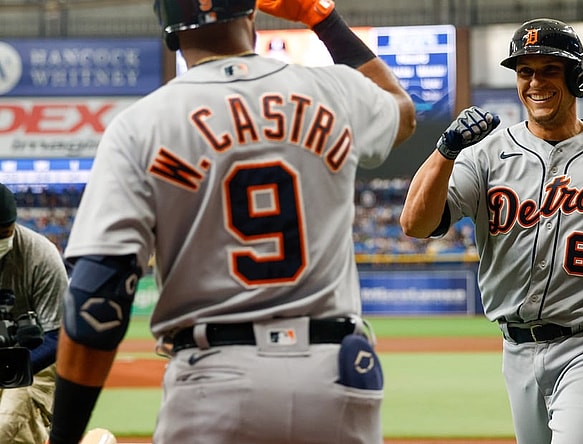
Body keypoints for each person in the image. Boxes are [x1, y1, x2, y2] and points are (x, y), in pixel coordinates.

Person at [47, 0, 415, 442]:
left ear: (168, 28)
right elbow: (402, 111)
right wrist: (323, 19)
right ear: (252, 13)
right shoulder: (334, 89)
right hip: (335, 378)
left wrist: (63, 436)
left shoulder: (141, 125)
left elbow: (97, 302)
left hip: (214, 380)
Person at [400, 18, 583, 444]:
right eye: (525, 72)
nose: (535, 82)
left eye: (549, 70)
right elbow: (416, 223)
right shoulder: (486, 155)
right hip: (516, 349)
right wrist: (445, 152)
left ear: (576, 77)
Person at [0, 183, 69, 444]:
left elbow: (59, 333)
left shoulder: (41, 255)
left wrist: (15, 365)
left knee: (6, 428)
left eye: (4, 232)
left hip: (32, 359)